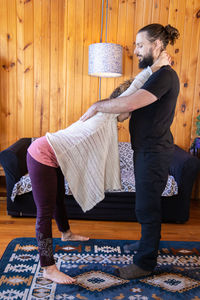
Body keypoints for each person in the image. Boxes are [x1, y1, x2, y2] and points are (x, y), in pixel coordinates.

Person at [27, 35, 171, 284]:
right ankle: (48, 267)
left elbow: (131, 90)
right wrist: (154, 68)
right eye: (127, 108)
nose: (129, 112)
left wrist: (155, 68)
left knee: (58, 199)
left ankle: (67, 234)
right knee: (44, 211)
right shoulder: (104, 118)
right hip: (41, 155)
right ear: (118, 106)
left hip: (52, 152)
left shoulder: (105, 119)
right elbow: (131, 92)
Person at [80, 23, 180, 279]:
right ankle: (146, 243)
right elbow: (126, 111)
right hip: (144, 149)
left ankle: (145, 263)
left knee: (148, 208)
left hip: (155, 151)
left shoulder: (165, 76)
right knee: (143, 204)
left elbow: (131, 102)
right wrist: (108, 111)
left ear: (157, 45)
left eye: (139, 44)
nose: (135, 50)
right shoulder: (153, 74)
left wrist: (97, 106)